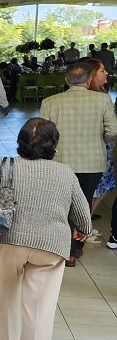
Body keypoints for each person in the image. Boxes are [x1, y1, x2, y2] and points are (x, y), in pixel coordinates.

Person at [0, 118, 91, 340]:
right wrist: (81, 230)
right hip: (49, 248)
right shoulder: (66, 173)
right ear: (54, 145)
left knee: (7, 293)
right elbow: (84, 219)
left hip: (6, 241)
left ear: (21, 142)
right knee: (40, 309)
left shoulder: (5, 166)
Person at [39, 61, 117, 264]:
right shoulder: (102, 100)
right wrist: (99, 141)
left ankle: (61, 246)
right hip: (92, 162)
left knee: (62, 204)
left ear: (66, 80)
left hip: (60, 161)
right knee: (83, 203)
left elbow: (44, 135)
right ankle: (74, 248)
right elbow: (113, 131)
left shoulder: (50, 101)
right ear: (89, 80)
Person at [88, 59, 116, 220]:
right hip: (101, 147)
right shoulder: (99, 97)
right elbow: (110, 129)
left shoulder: (101, 93)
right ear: (92, 75)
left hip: (102, 147)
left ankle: (86, 217)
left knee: (100, 186)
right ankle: (86, 220)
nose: (106, 73)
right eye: (102, 70)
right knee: (100, 185)